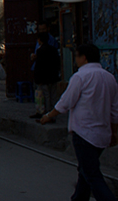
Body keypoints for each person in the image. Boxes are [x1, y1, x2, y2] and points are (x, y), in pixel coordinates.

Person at [39, 44, 118, 201]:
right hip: (102, 133)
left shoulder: (80, 77)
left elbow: (65, 102)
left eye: (76, 56)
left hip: (84, 133)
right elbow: (115, 111)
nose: (75, 60)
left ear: (84, 58)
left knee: (92, 175)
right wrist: (115, 132)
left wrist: (48, 115)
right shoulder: (109, 77)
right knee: (85, 171)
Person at [30, 32, 61, 120]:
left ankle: (47, 114)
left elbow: (39, 66)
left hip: (44, 78)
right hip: (53, 77)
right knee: (53, 96)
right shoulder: (53, 49)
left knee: (46, 96)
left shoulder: (40, 51)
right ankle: (52, 113)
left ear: (39, 40)